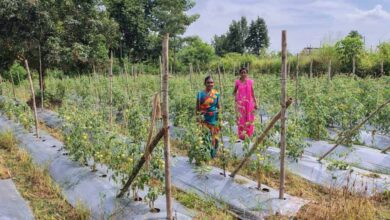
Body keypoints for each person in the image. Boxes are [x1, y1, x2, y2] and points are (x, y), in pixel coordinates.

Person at [196, 76, 220, 158]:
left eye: (212, 82)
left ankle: (212, 154)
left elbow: (218, 106)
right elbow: (197, 107)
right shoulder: (200, 94)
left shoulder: (216, 94)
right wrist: (197, 118)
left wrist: (220, 118)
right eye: (208, 82)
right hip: (203, 118)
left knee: (214, 136)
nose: (210, 84)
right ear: (205, 83)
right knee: (204, 136)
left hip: (213, 118)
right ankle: (204, 154)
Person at [233, 67, 258, 141]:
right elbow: (234, 92)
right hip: (241, 103)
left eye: (245, 72)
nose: (243, 74)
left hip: (249, 103)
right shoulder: (237, 82)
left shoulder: (250, 82)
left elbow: (252, 93)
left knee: (249, 118)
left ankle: (248, 135)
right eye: (242, 72)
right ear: (240, 73)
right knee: (241, 119)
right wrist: (236, 98)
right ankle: (242, 136)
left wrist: (255, 102)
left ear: (247, 73)